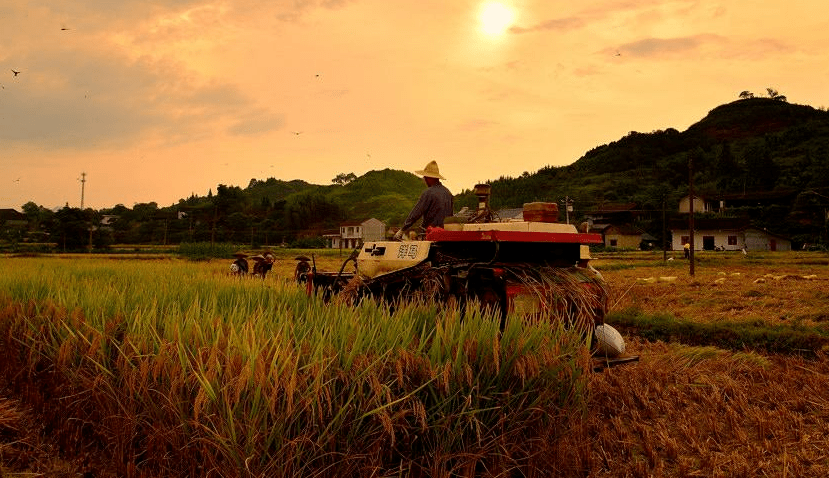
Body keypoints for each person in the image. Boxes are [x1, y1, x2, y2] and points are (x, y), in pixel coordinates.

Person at [394, 160, 453, 240]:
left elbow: (416, 213)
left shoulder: (428, 193)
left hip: (431, 234)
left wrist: (402, 229)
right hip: (446, 234)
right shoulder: (448, 193)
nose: (424, 179)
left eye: (425, 177)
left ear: (429, 178)